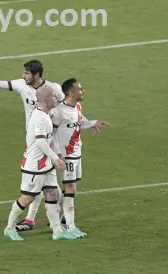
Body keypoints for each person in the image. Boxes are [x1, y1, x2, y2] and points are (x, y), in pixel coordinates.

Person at [0, 60, 66, 232]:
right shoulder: (22, 86)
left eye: (27, 73)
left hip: (51, 135)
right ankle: (43, 220)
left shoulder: (52, 89)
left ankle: (50, 222)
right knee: (41, 180)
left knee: (46, 183)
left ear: (37, 75)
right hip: (35, 139)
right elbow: (0, 84)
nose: (24, 76)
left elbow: (68, 104)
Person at [3, 86, 77, 241]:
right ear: (45, 100)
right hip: (34, 166)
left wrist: (57, 153)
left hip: (46, 165)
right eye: (53, 97)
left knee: (52, 194)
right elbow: (40, 143)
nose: (56, 98)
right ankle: (9, 228)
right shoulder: (39, 117)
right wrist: (56, 159)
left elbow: (49, 139)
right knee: (28, 198)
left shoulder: (46, 115)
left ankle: (57, 232)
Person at [51, 78, 110, 238]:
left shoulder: (77, 106)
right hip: (67, 155)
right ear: (70, 92)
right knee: (71, 189)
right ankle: (70, 227)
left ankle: (60, 218)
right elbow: (52, 134)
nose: (83, 91)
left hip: (77, 152)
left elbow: (78, 123)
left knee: (69, 188)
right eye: (79, 89)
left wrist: (93, 123)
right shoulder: (58, 112)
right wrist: (58, 154)